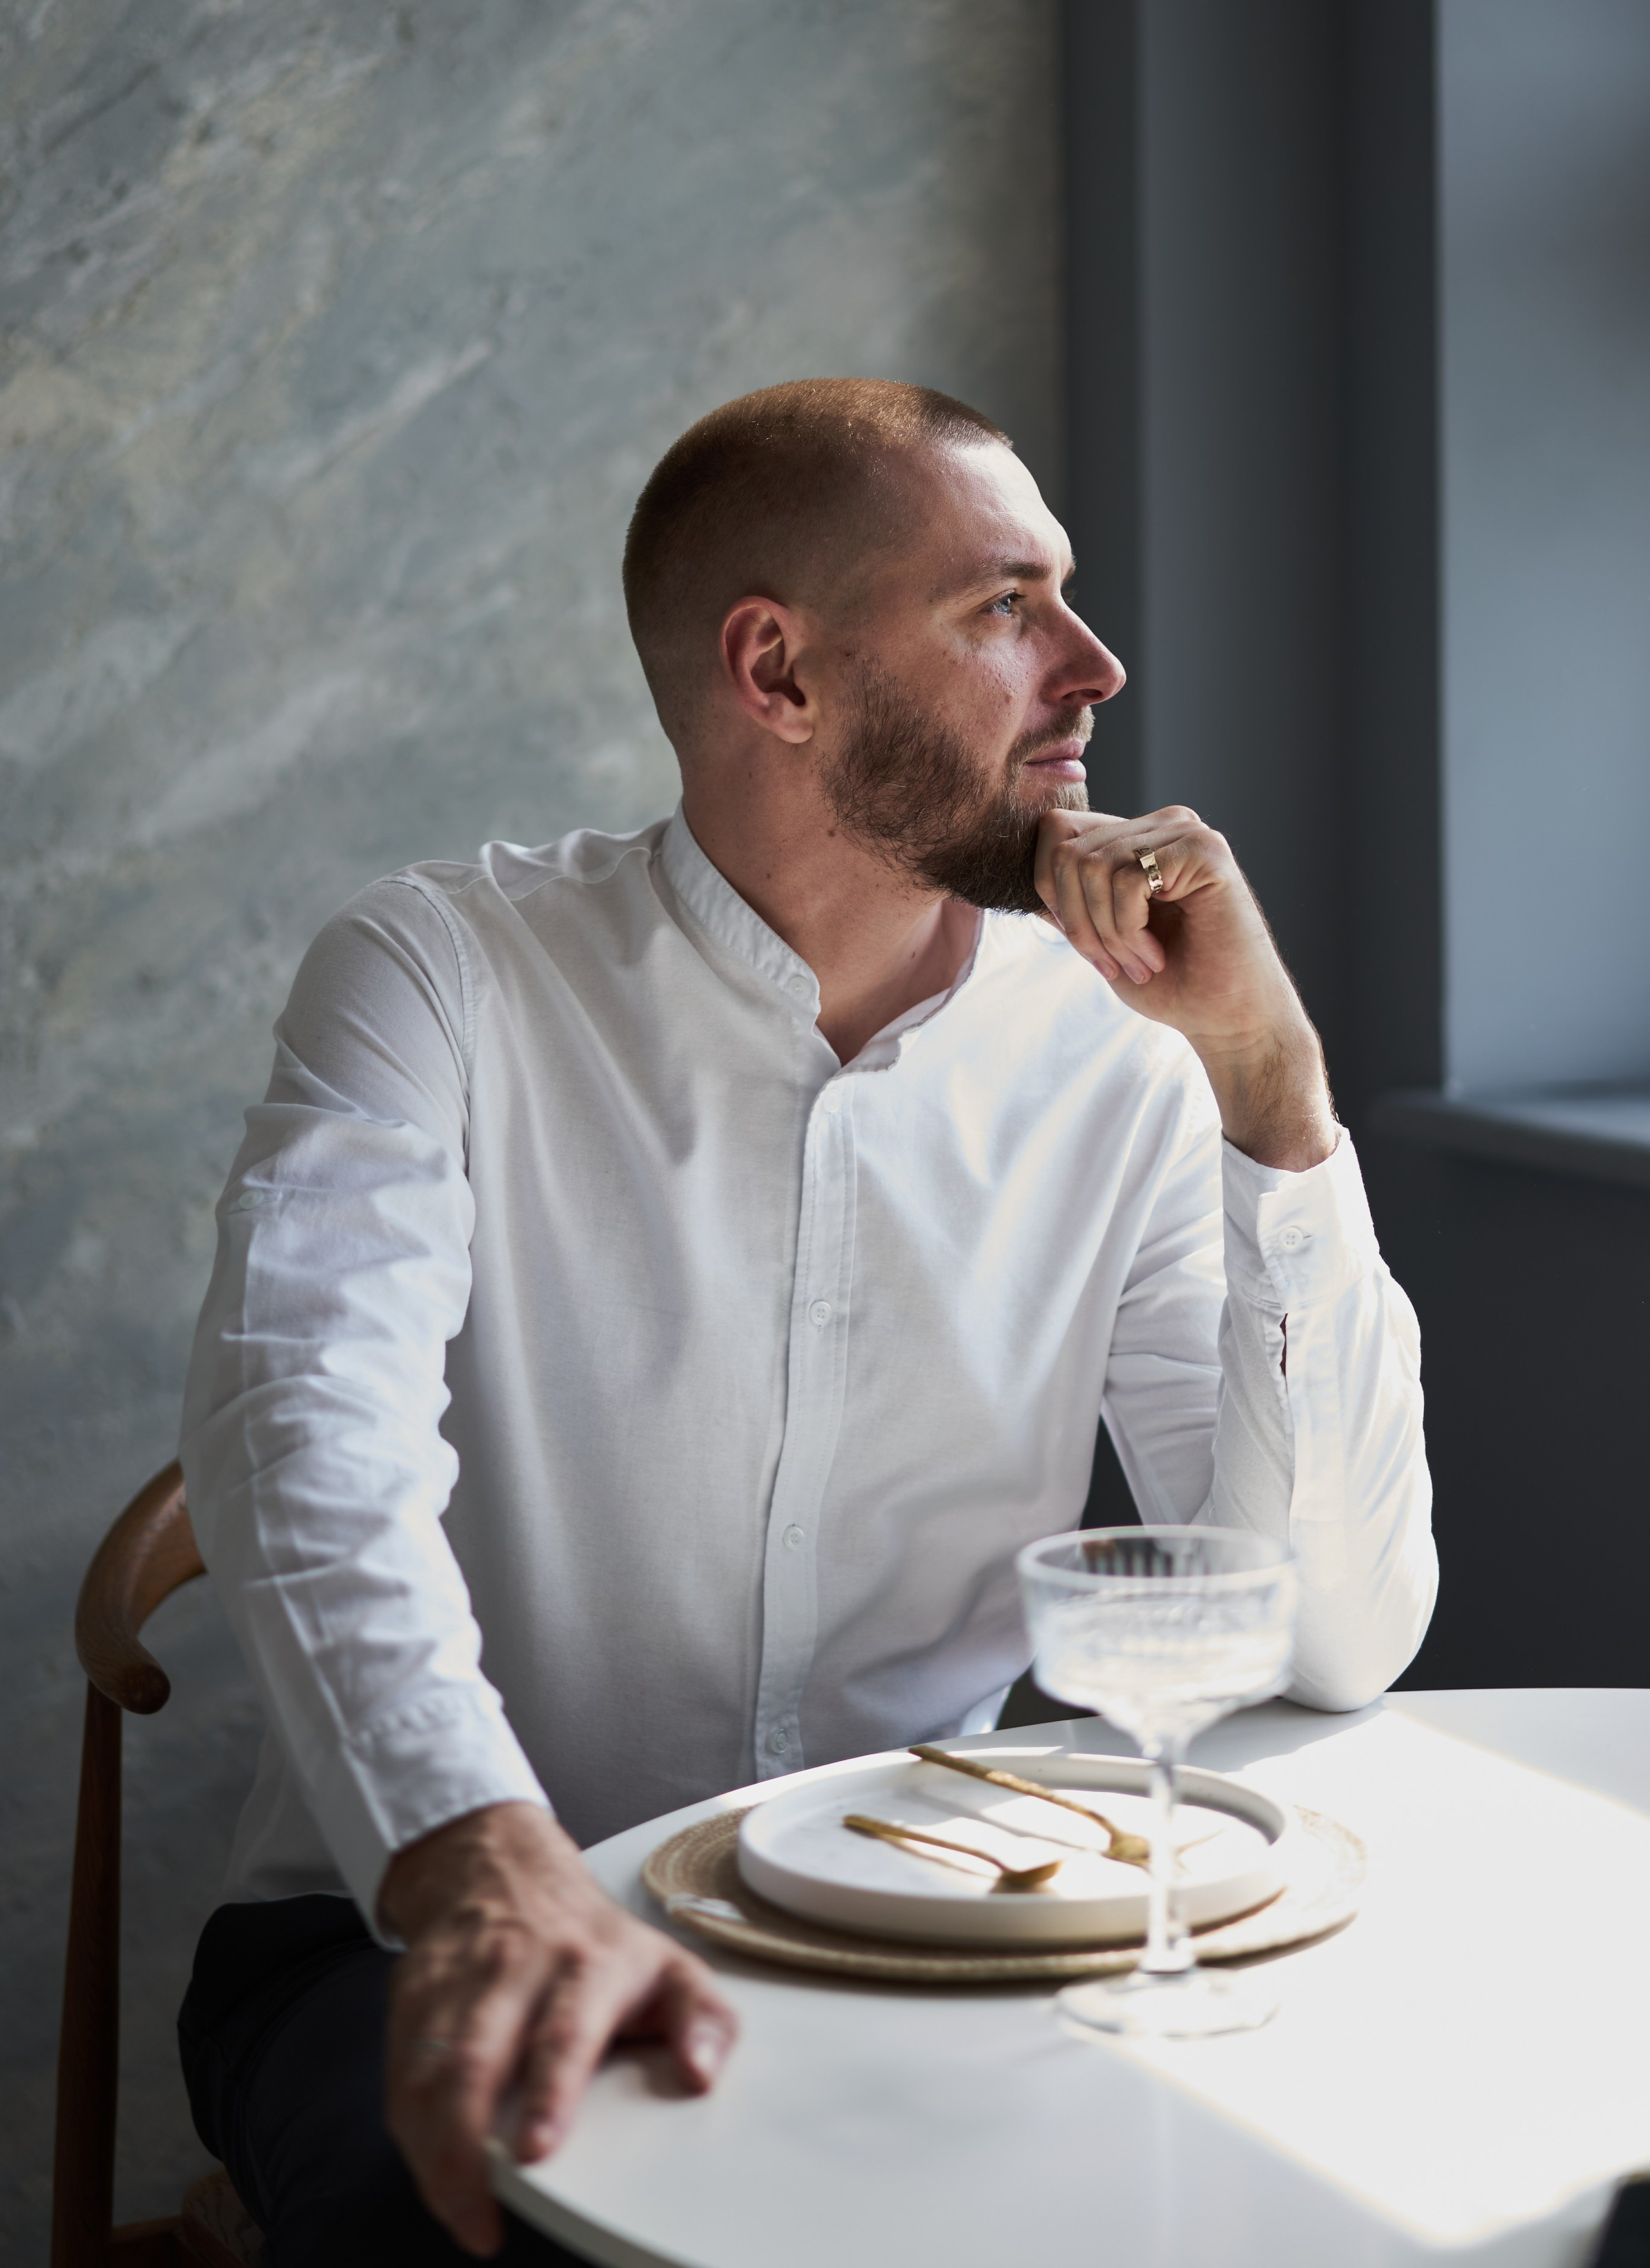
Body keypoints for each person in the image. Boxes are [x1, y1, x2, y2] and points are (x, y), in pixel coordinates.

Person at [177, 379, 1435, 2263]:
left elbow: (1330, 1638)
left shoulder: (1125, 1055)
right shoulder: (439, 976)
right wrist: (481, 1861)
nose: (1094, 665)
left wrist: (1275, 1089)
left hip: (927, 1921)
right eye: (1006, 608)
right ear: (777, 672)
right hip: (410, 1922)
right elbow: (303, 1435)